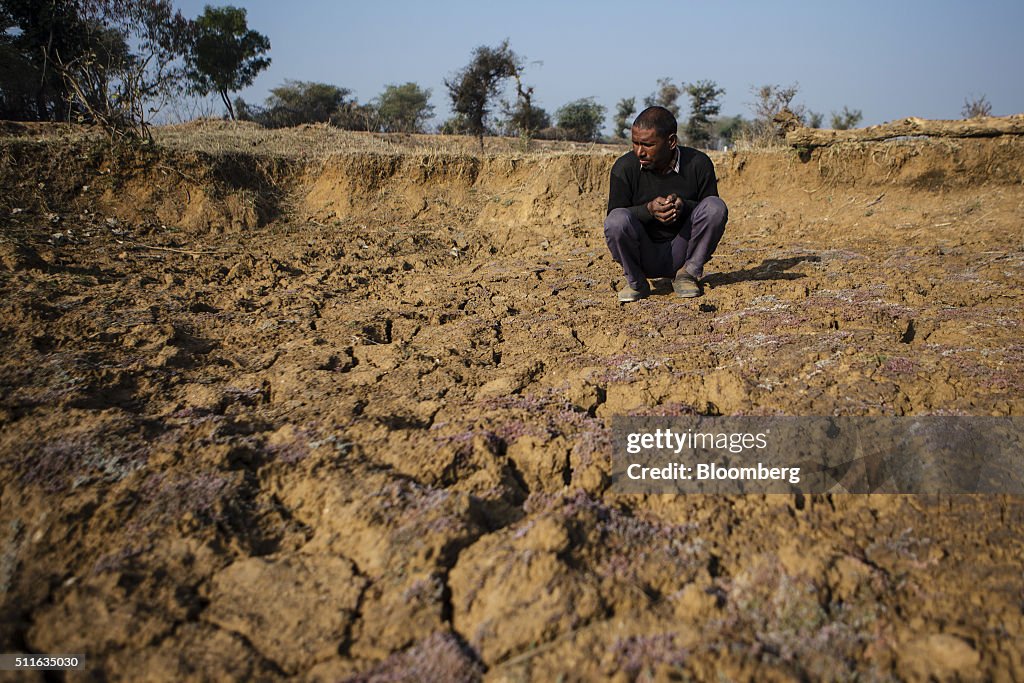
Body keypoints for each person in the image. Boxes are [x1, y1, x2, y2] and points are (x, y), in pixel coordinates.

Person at [604, 106, 728, 302]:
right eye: (635, 143)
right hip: (643, 253)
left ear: (671, 142)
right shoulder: (625, 168)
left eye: (647, 144)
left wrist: (684, 206)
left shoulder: (698, 163)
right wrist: (648, 210)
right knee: (616, 221)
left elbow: (710, 213)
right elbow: (615, 219)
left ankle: (687, 274)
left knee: (715, 206)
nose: (639, 152)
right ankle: (636, 282)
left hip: (683, 250)